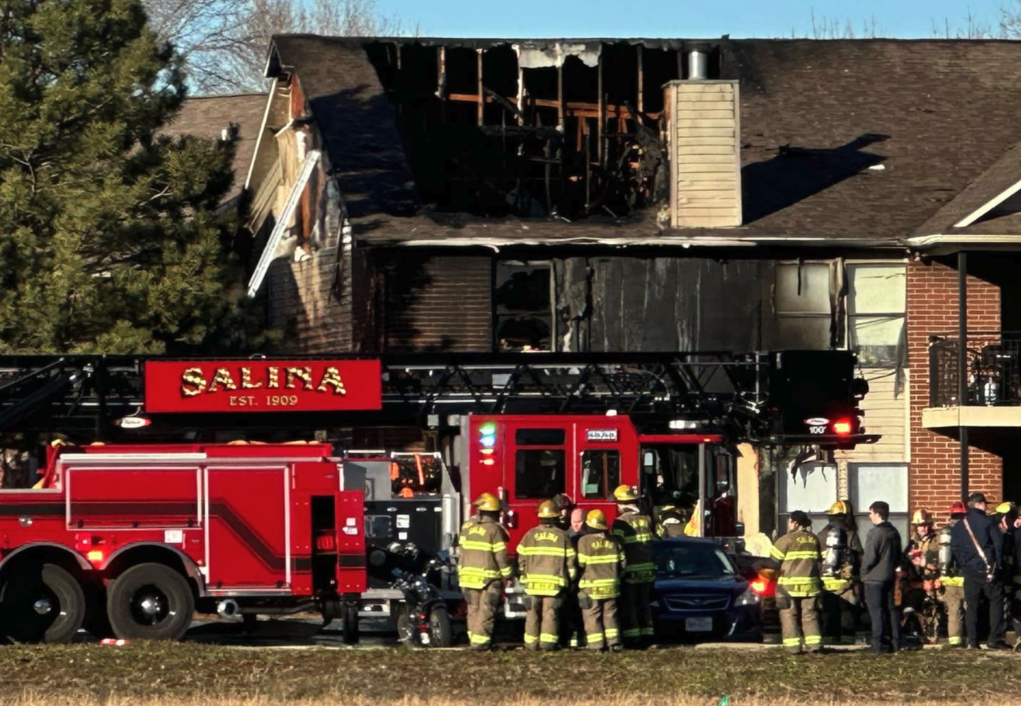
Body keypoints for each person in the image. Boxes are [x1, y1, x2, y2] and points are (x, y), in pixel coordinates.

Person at [950, 492, 1009, 650]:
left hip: (969, 571)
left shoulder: (958, 526)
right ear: (978, 504)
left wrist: (964, 564)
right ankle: (994, 639)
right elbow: (998, 544)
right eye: (985, 504)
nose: (987, 507)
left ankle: (973, 641)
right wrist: (999, 565)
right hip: (988, 569)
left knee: (972, 606)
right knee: (996, 601)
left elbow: (954, 549)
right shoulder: (989, 522)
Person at [518, 500, 577, 651]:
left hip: (532, 584)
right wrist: (571, 579)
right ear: (556, 517)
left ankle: (531, 644)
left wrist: (523, 576)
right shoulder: (563, 536)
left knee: (532, 613)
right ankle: (548, 644)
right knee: (550, 613)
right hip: (554, 585)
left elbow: (521, 559)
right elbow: (571, 561)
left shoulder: (529, 535)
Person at [457, 492, 514, 650]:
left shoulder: (467, 528)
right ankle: (481, 643)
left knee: (473, 609)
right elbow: (501, 556)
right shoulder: (494, 530)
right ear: (496, 513)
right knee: (486, 609)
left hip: (466, 577)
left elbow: (461, 552)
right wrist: (508, 574)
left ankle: (474, 639)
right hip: (488, 578)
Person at [770, 510, 823, 654]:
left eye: (789, 521)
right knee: (809, 614)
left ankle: (793, 647)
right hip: (811, 585)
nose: (788, 524)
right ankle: (815, 645)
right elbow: (820, 560)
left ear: (795, 522)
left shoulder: (786, 539)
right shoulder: (814, 539)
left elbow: (773, 561)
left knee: (788, 614)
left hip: (789, 587)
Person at [612, 484, 656, 646]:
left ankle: (633, 638)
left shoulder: (620, 523)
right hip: (648, 570)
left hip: (630, 571)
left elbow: (617, 548)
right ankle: (648, 635)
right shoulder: (647, 519)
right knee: (644, 604)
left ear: (621, 503)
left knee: (629, 605)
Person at [576, 509, 625, 652]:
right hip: (612, 586)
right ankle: (614, 643)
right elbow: (623, 563)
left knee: (592, 615)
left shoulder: (584, 541)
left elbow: (581, 563)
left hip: (592, 587)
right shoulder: (615, 541)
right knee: (610, 615)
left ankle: (596, 645)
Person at [816, 500, 863, 646]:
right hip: (845, 583)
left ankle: (829, 640)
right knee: (847, 612)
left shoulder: (821, 534)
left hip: (826, 582)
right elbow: (859, 556)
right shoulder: (850, 534)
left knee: (828, 612)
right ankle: (847, 641)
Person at [861, 500, 902, 653]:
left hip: (874, 578)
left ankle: (878, 643)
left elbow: (870, 557)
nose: (869, 516)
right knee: (891, 610)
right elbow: (898, 556)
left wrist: (863, 572)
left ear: (877, 514)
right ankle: (895, 641)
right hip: (889, 576)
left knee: (876, 611)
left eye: (871, 513)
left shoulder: (875, 533)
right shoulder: (894, 532)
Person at [900, 508, 940, 644]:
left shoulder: (937, 541)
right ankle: (912, 633)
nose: (922, 529)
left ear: (930, 525)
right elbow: (904, 563)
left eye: (925, 525)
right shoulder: (912, 543)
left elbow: (942, 564)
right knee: (909, 607)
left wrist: (926, 565)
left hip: (933, 582)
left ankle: (931, 635)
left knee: (931, 608)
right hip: (915, 583)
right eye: (919, 526)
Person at [939, 500, 968, 649]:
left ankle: (955, 640)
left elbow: (940, 555)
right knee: (969, 607)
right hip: (966, 575)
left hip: (950, 577)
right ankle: (971, 637)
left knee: (953, 609)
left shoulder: (945, 531)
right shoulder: (969, 530)